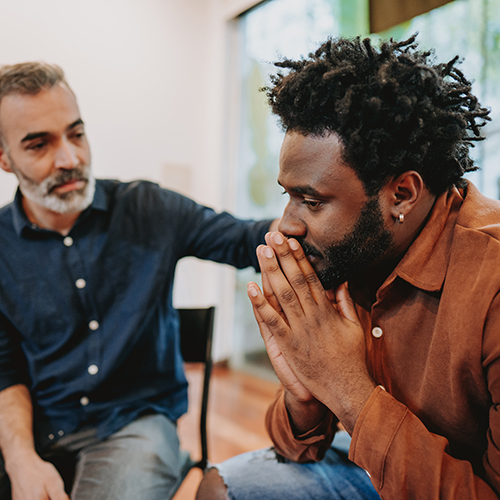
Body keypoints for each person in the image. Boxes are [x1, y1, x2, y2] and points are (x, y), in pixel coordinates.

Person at [196, 34, 500, 499]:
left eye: (311, 200)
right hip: (374, 466)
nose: (285, 226)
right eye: (288, 195)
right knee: (219, 490)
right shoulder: (348, 257)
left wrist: (344, 387)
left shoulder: (492, 283)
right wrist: (303, 394)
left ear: (401, 194)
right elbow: (294, 449)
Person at [0, 61, 276, 500]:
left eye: (76, 134)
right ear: (5, 159)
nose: (70, 159)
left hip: (136, 423)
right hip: (37, 427)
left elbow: (245, 240)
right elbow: (5, 368)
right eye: (39, 145)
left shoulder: (147, 208)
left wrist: (328, 215)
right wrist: (20, 460)